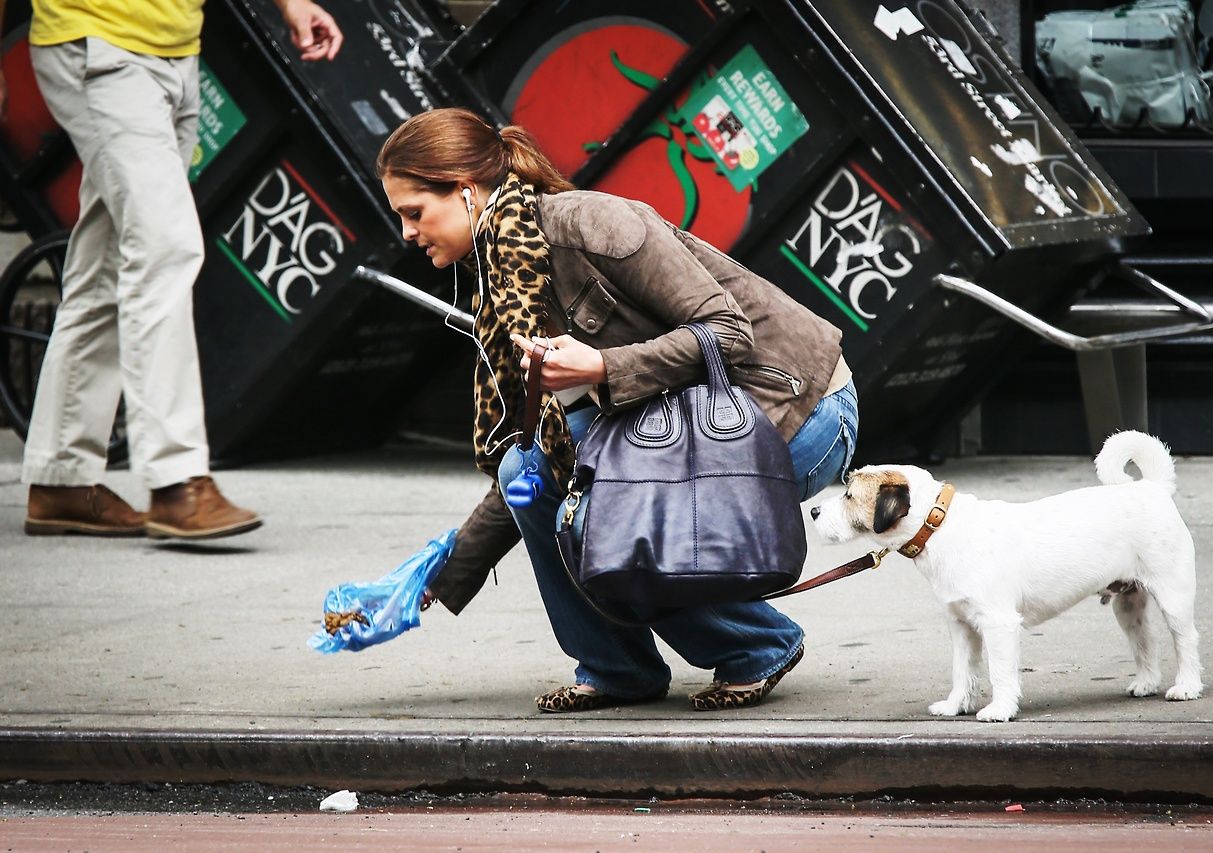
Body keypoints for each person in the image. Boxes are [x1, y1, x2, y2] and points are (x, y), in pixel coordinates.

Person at [377, 107, 859, 712]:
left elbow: (728, 330)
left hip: (790, 407)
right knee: (526, 474)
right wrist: (441, 576)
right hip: (672, 423)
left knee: (611, 517)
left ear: (466, 192)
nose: (407, 233)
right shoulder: (507, 277)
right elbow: (538, 462)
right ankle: (616, 669)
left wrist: (604, 368)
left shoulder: (592, 225)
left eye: (414, 213)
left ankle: (757, 644)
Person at [11, 0, 342, 539]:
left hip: (177, 52)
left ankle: (61, 479)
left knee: (110, 265)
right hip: (98, 43)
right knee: (164, 247)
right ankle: (176, 481)